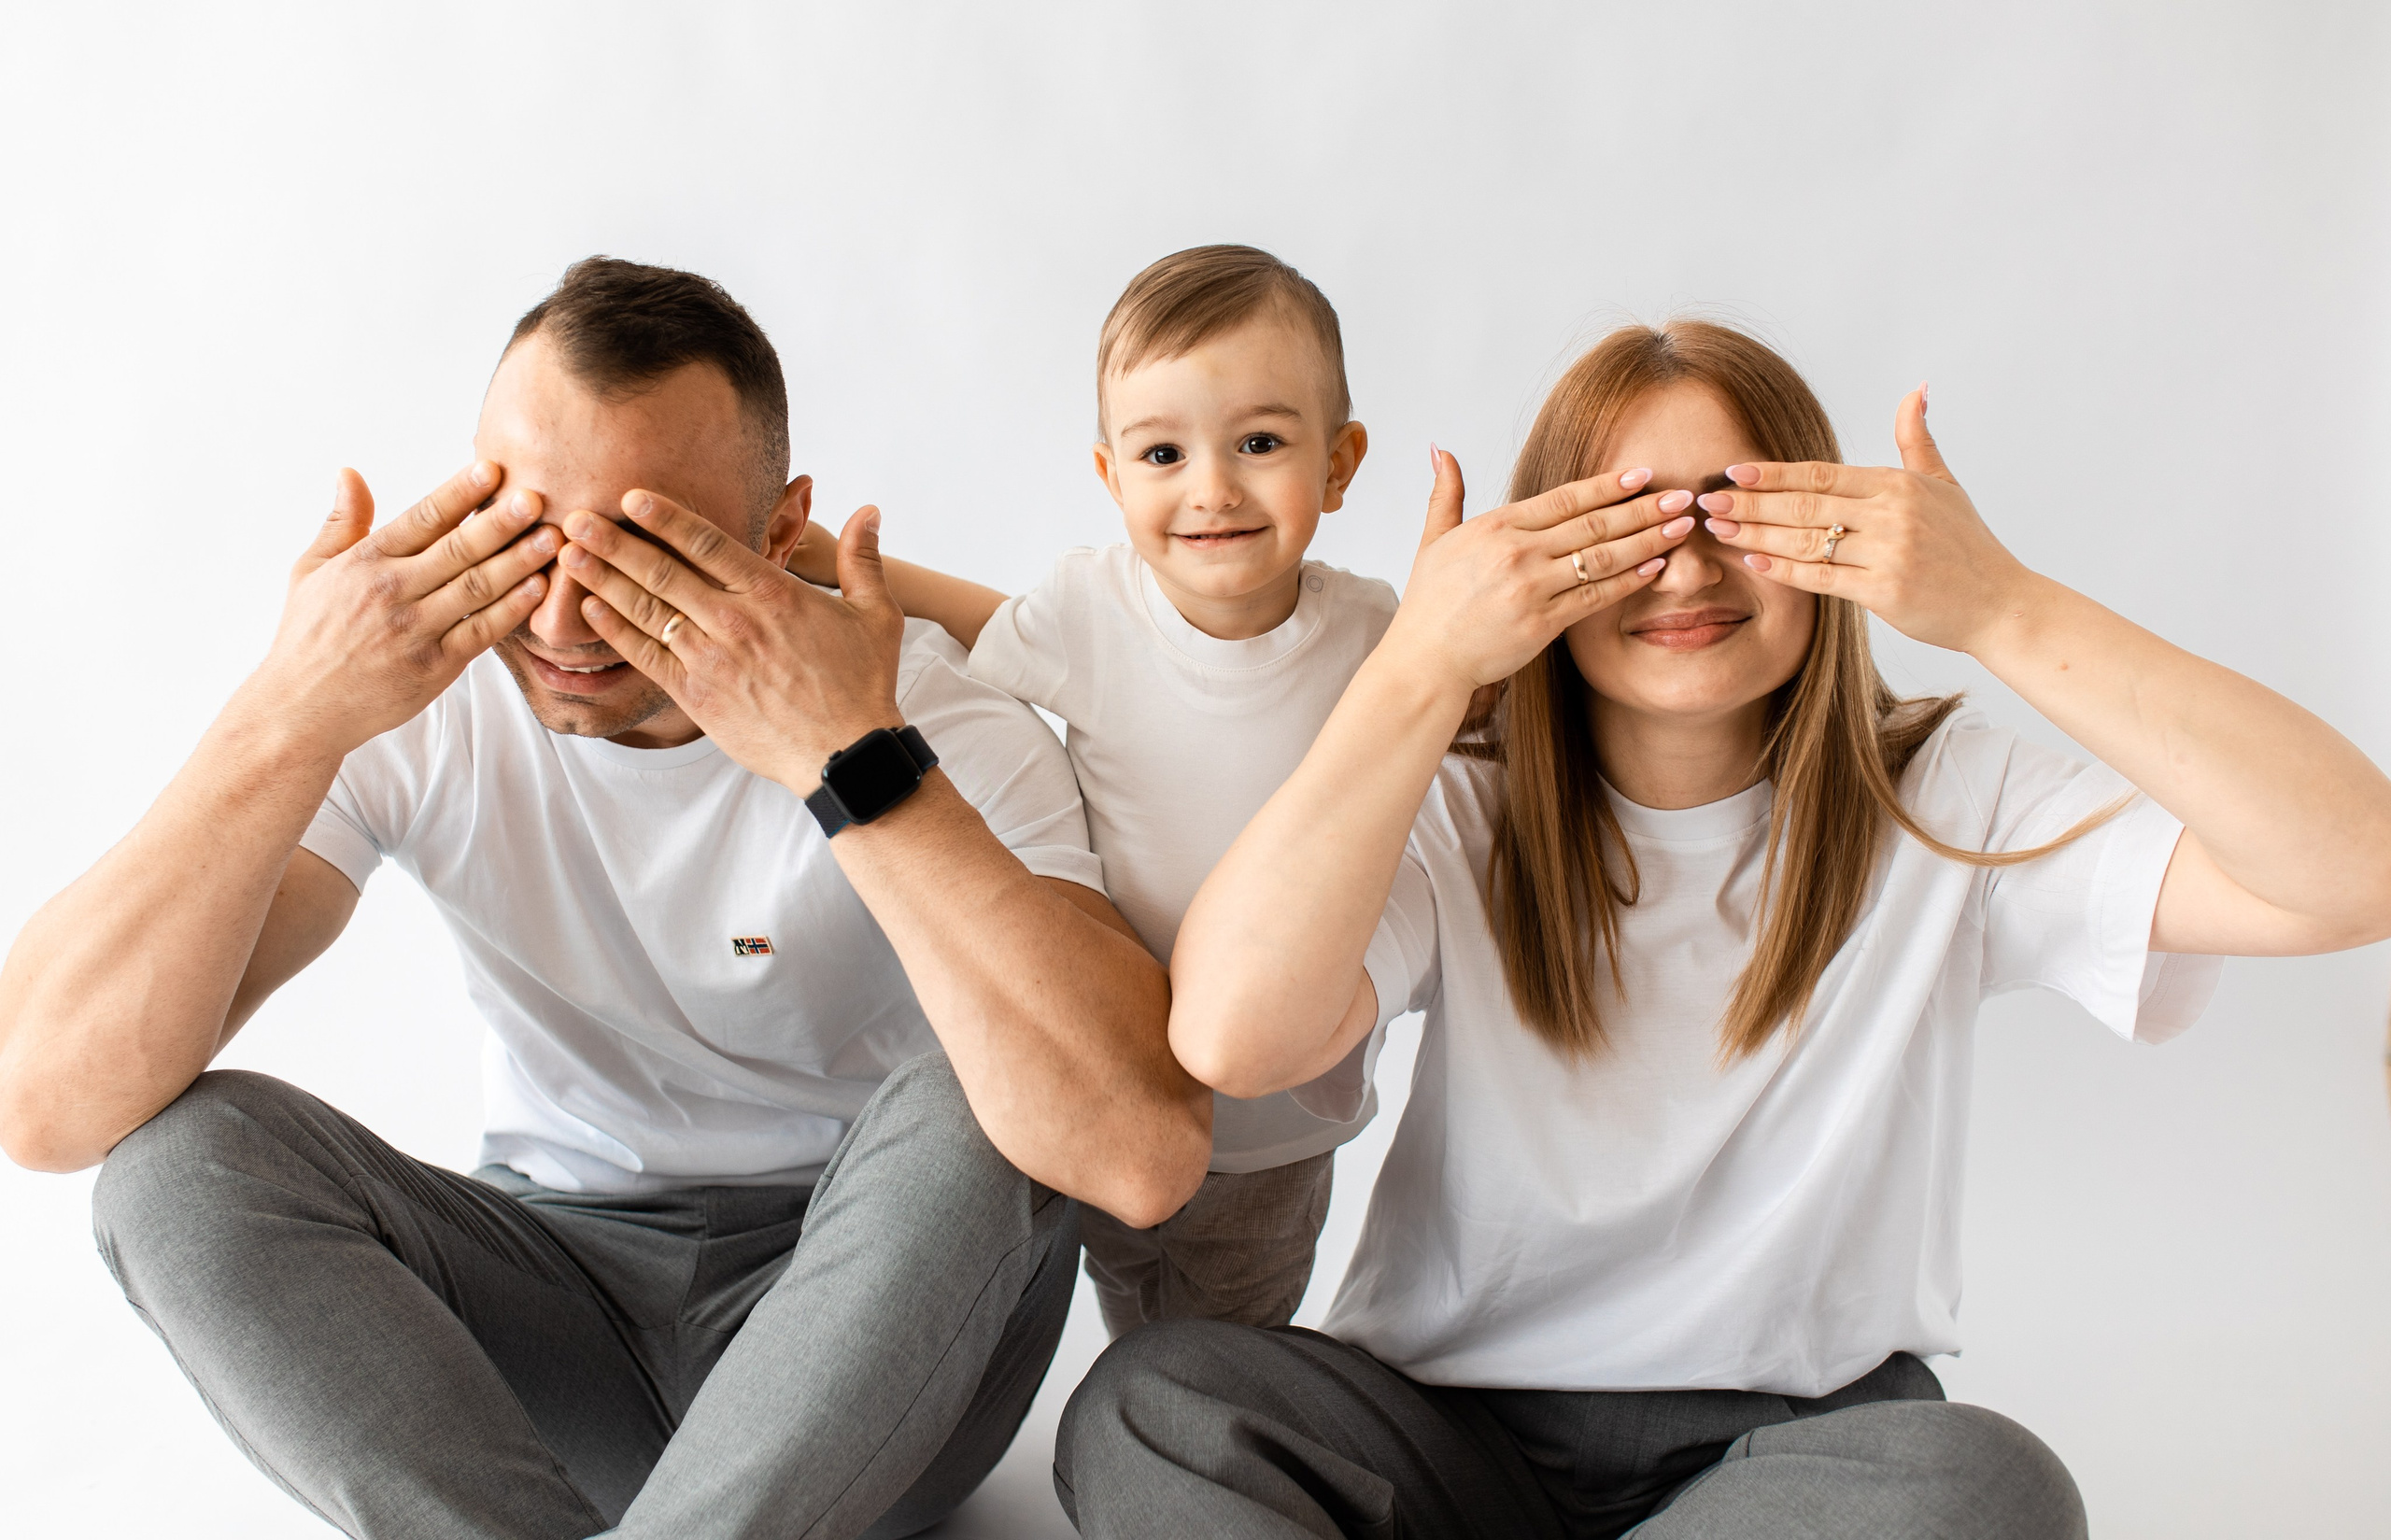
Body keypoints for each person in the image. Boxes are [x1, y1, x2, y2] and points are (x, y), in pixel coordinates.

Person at [1054, 320, 2391, 1538]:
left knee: (1988, 1491)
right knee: (1154, 1403)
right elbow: (1233, 1035)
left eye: (1734, 513)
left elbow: (2354, 872)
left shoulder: (1942, 795)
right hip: (1443, 1435)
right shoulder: (1457, 797)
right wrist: (1422, 667)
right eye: (1629, 522)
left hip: (1793, 1456)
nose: (1684, 566)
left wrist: (2004, 607)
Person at [0, 257, 1212, 1540]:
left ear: (776, 528)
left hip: (873, 1331)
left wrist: (846, 758)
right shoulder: (420, 697)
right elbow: (46, 1102)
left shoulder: (920, 710)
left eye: (638, 550)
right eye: (530, 537)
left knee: (991, 1089)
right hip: (558, 1302)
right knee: (177, 1167)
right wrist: (281, 716)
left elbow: (1137, 1156)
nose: (568, 616)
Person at [793, 246, 1396, 1336]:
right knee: (1133, 1296)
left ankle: (1195, 1458)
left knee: (1229, 1340)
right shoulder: (1094, 610)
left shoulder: (1373, 637)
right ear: (1114, 477)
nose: (1211, 487)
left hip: (1284, 1098)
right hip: (1124, 1065)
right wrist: (836, 563)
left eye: (1259, 443)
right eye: (1163, 453)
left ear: (1341, 464)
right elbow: (979, 619)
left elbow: (1475, 708)